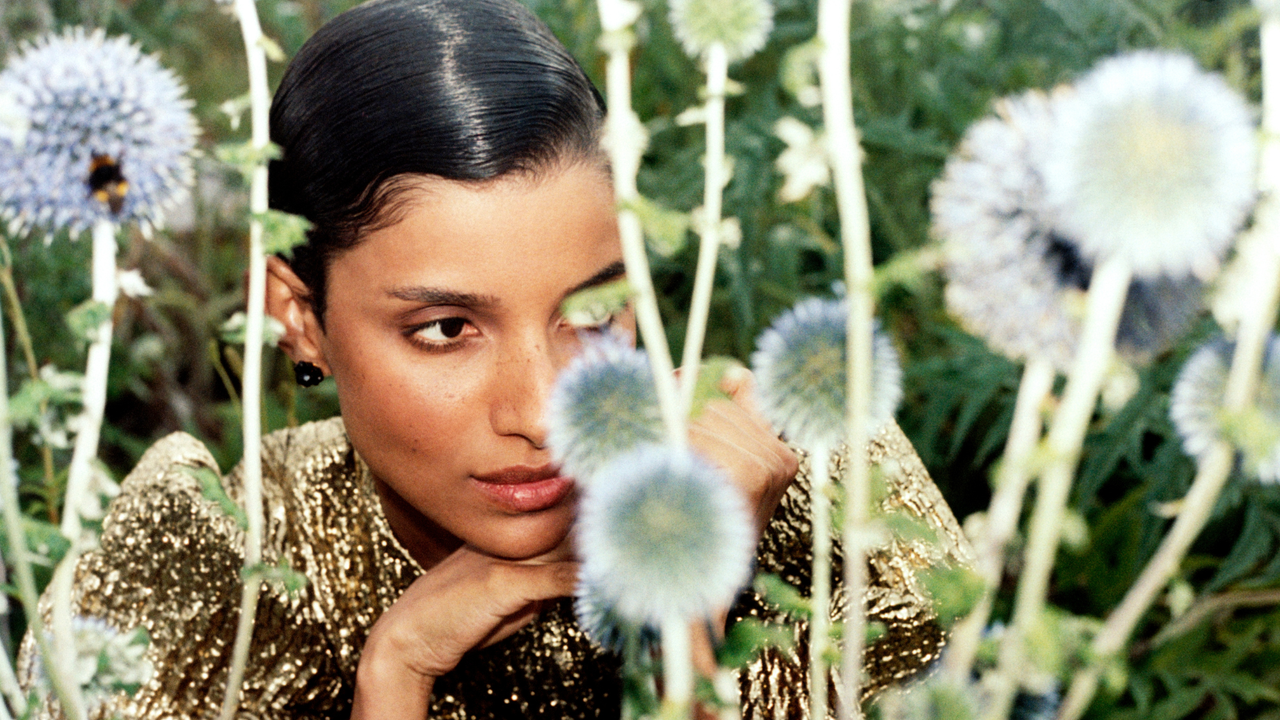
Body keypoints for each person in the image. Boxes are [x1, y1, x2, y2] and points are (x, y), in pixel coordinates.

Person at [18, 0, 971, 717]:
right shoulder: (214, 579)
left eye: (592, 314)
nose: (541, 410)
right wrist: (395, 671)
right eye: (444, 328)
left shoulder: (828, 495)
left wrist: (693, 613)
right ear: (298, 317)